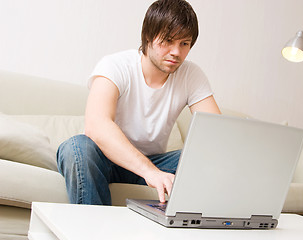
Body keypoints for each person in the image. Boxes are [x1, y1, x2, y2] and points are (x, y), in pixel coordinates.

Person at [57, 0, 221, 206]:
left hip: (154, 162)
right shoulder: (115, 66)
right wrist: (150, 172)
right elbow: (97, 127)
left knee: (201, 157)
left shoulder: (191, 74)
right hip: (104, 160)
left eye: (184, 44)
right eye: (168, 41)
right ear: (147, 37)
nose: (176, 52)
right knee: (77, 147)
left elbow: (217, 136)